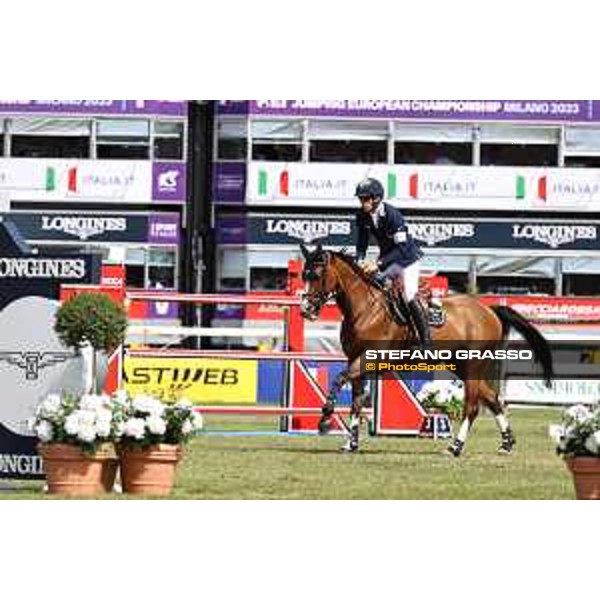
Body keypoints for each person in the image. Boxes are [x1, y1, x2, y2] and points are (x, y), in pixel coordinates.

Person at [355, 177, 431, 344]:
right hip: (388, 260)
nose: (362, 202)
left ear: (376, 199)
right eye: (360, 199)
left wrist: (378, 264)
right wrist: (359, 258)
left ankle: (426, 342)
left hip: (407, 259)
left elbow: (402, 248)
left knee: (408, 295)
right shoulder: (362, 215)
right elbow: (362, 240)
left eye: (365, 199)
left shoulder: (392, 215)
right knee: (371, 287)